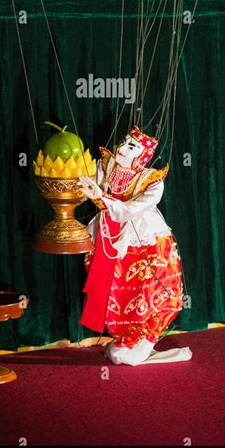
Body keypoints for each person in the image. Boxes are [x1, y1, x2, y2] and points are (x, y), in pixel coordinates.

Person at [78, 126, 193, 366]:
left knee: (150, 289)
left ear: (143, 155)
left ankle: (143, 340)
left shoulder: (152, 181)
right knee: (113, 289)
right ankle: (122, 336)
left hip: (144, 242)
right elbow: (85, 190)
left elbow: (130, 210)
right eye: (124, 142)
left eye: (132, 146)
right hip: (108, 237)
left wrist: (100, 198)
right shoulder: (106, 166)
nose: (122, 148)